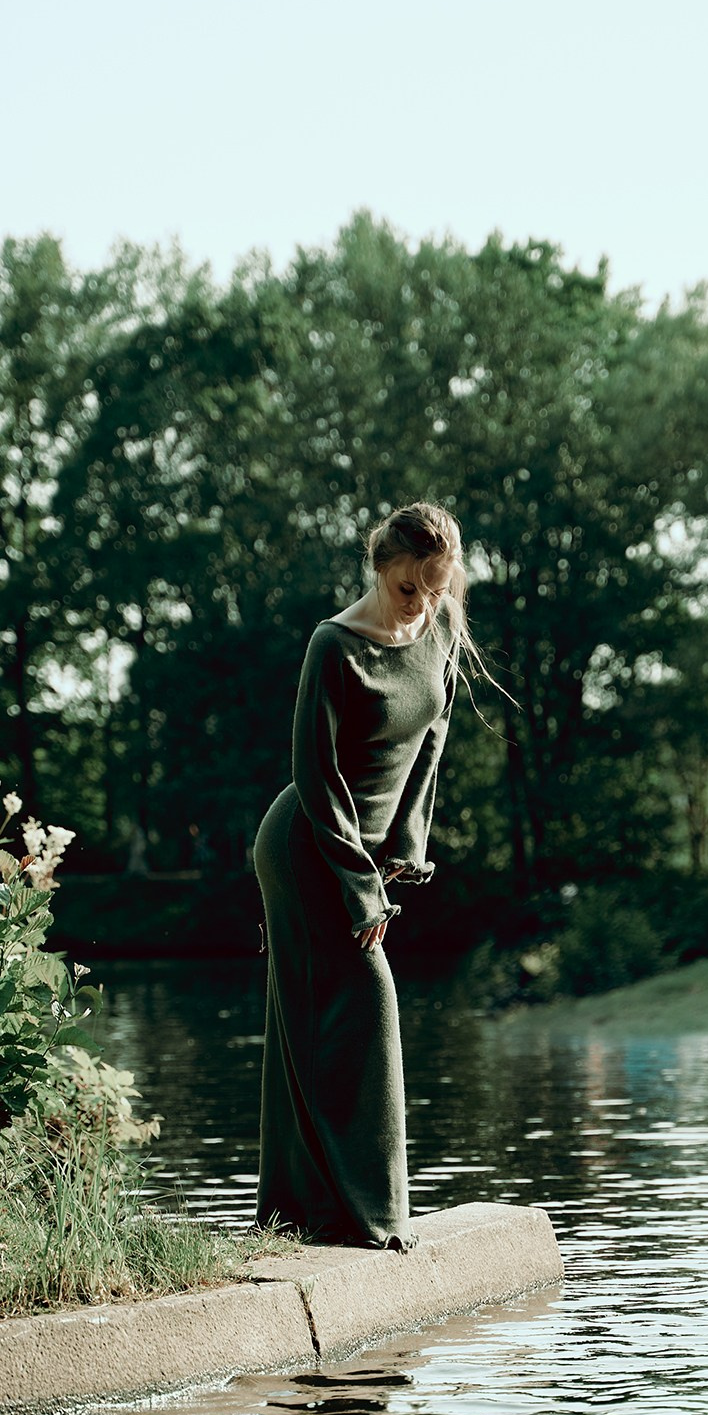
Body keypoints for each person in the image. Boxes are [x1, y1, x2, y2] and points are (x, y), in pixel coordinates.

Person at [252, 502, 466, 1249]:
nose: (424, 602)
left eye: (437, 587)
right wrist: (361, 887)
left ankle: (305, 1212)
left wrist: (407, 841)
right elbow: (315, 778)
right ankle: (377, 1218)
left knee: (308, 1024)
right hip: (308, 847)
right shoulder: (335, 645)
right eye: (410, 588)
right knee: (368, 1001)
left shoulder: (438, 631)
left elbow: (432, 737)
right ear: (379, 568)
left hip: (368, 853)